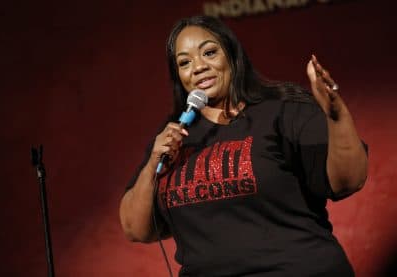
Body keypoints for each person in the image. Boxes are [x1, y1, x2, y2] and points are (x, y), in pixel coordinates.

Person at [119, 15, 368, 276]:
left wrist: (336, 115)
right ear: (179, 76)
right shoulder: (173, 137)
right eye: (184, 62)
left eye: (209, 52)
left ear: (232, 55)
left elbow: (349, 180)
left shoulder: (283, 111)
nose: (198, 67)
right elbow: (135, 229)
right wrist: (152, 164)